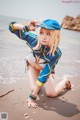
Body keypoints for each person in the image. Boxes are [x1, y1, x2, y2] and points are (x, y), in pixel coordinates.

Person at [9, 19, 71, 108]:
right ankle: (36, 87)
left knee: (51, 94)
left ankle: (65, 80)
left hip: (44, 68)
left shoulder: (56, 53)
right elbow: (11, 27)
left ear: (55, 36)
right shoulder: (34, 39)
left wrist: (32, 97)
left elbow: (45, 73)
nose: (43, 37)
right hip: (32, 65)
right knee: (34, 89)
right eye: (41, 32)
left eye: (48, 34)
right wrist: (26, 27)